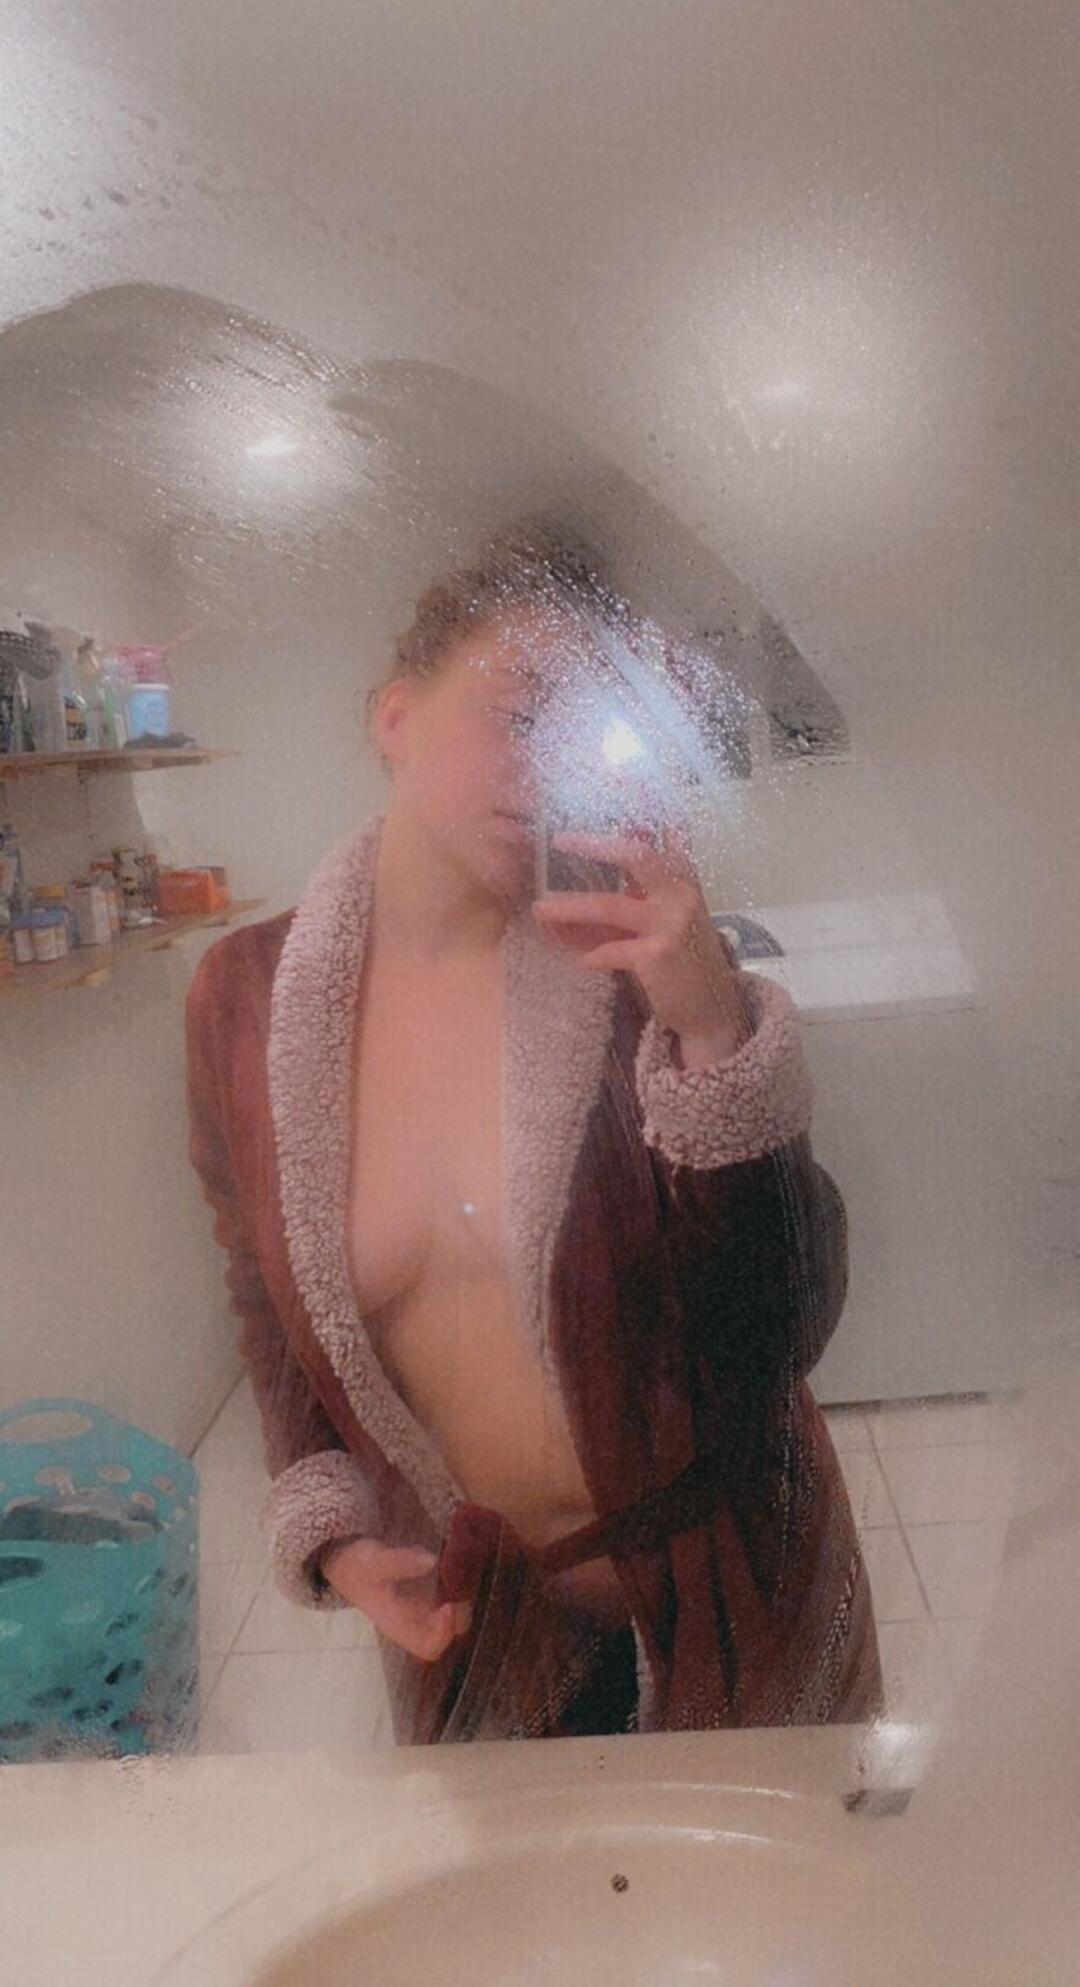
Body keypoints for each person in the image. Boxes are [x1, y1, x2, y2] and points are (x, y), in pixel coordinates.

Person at [185, 528, 883, 1742]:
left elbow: (786, 1324)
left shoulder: (637, 972)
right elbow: (261, 1277)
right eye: (520, 710)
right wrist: (329, 1523)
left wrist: (711, 1027)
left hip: (735, 1594)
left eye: (589, 732)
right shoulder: (245, 1000)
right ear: (395, 714)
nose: (545, 764)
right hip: (483, 1620)